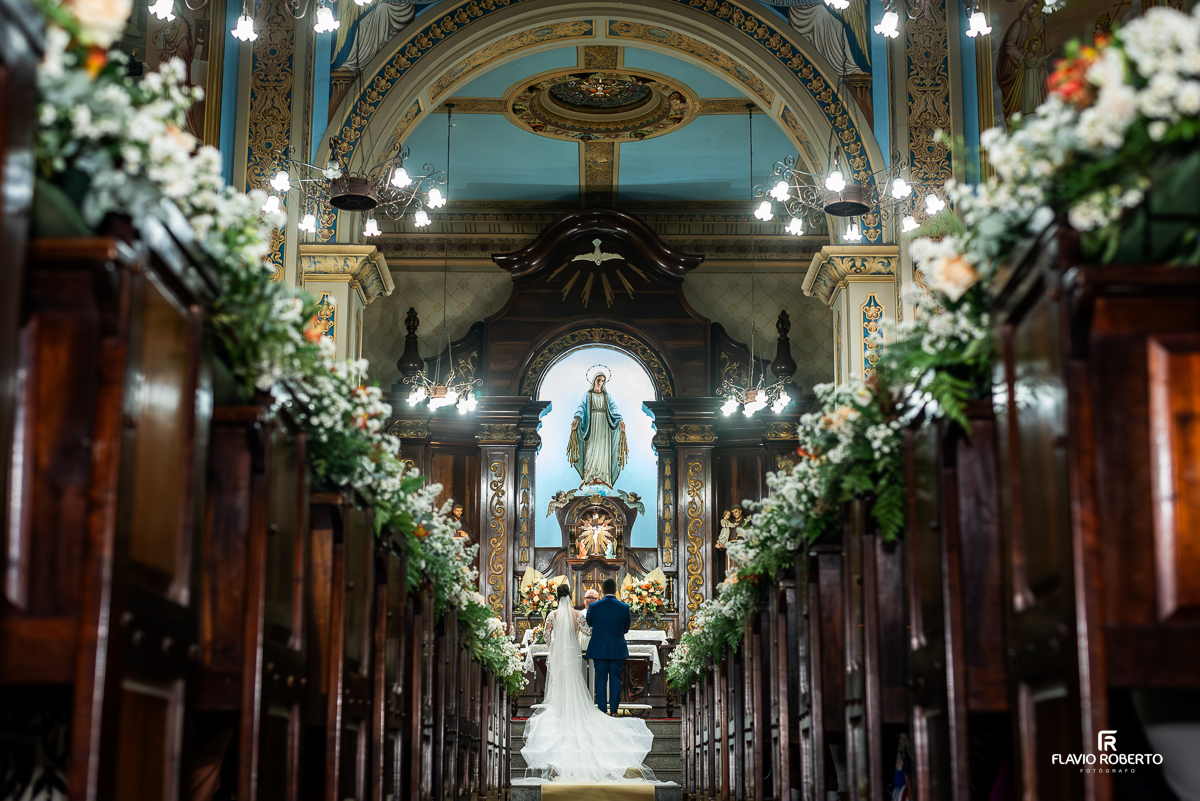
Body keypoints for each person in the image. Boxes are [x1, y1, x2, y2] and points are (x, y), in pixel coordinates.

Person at [519, 584, 655, 783]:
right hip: (575, 652)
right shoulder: (578, 614)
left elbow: (547, 635)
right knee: (580, 681)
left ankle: (562, 709)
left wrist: (554, 646)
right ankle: (607, 709)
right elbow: (588, 631)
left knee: (564, 682)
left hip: (560, 653)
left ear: (557, 597)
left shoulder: (552, 615)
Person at [567, 367, 629, 488]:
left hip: (604, 426)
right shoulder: (587, 395)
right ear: (594, 380)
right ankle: (589, 477)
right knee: (590, 450)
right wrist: (577, 418)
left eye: (602, 381)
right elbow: (581, 408)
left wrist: (620, 420)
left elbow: (614, 408)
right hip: (591, 426)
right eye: (598, 380)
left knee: (603, 450)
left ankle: (604, 477)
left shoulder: (607, 396)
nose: (600, 383)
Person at [586, 578, 631, 716]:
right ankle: (614, 711)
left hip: (599, 647)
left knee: (600, 679)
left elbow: (589, 623)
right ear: (616, 590)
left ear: (602, 590)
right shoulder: (624, 607)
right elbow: (626, 629)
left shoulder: (594, 606)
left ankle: (601, 711)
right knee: (616, 679)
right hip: (617, 648)